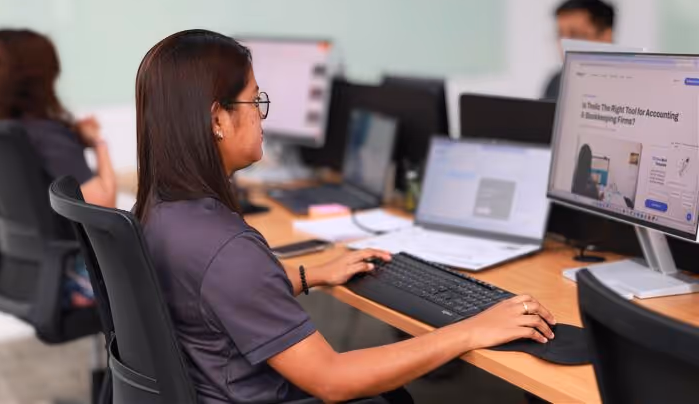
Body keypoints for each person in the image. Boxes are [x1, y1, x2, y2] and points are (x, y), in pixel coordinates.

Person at [136, 29, 557, 404]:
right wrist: (471, 330)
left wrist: (312, 274)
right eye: (255, 100)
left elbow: (210, 293)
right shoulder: (226, 249)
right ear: (216, 120)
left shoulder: (162, 211)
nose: (262, 115)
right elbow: (332, 380)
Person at [0, 28, 117, 306]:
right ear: (40, 79)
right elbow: (104, 204)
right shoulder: (45, 134)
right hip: (74, 277)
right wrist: (98, 143)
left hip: (26, 274)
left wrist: (74, 139)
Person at [543, 0, 615, 101]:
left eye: (576, 35)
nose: (564, 45)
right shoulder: (556, 83)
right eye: (560, 35)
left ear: (606, 36)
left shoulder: (630, 86)